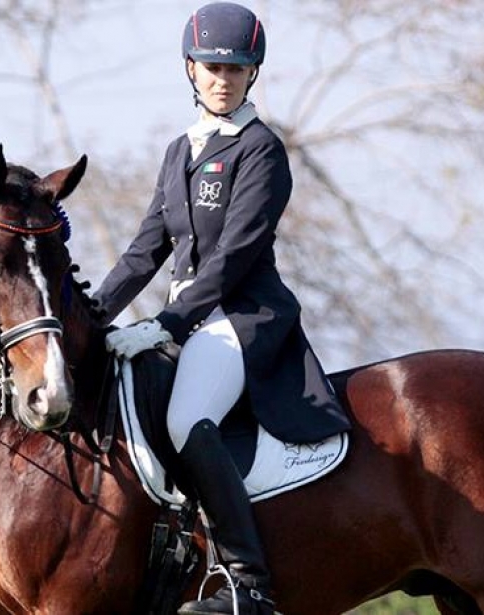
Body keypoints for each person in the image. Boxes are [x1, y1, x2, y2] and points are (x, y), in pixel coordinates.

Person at [93, 3, 351, 613]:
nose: (221, 78)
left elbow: (234, 256)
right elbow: (144, 251)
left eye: (235, 67)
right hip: (189, 323)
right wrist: (88, 319)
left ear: (252, 73)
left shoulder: (261, 151)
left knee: (185, 422)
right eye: (211, 66)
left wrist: (163, 324)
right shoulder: (178, 150)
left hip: (242, 319)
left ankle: (248, 585)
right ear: (190, 68)